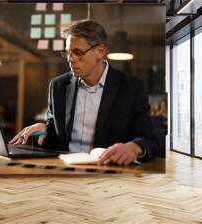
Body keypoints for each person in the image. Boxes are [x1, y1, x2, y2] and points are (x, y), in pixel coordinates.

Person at [9, 20, 159, 165]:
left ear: (100, 51)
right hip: (64, 172)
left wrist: (135, 147)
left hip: (110, 175)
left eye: (77, 52)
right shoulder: (58, 86)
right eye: (68, 53)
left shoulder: (132, 88)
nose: (70, 59)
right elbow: (55, 138)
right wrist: (45, 130)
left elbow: (150, 140)